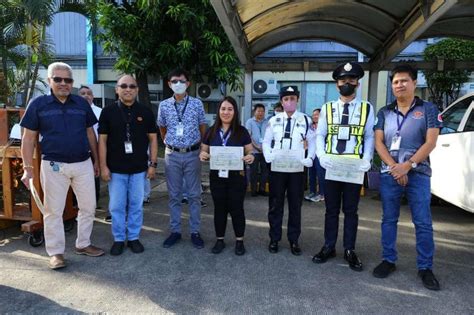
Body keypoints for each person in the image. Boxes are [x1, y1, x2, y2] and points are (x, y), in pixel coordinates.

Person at [20, 62, 104, 270]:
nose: (63, 83)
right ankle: (56, 253)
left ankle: (83, 244)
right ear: (49, 81)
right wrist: (27, 168)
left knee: (88, 206)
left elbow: (90, 134)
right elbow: (28, 138)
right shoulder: (38, 104)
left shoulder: (81, 103)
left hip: (83, 163)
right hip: (53, 165)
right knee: (53, 211)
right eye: (58, 79)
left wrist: (96, 161)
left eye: (68, 80)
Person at [373, 64, 442, 291]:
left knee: (422, 222)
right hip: (390, 173)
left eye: (404, 80)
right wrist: (395, 167)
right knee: (388, 219)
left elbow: (430, 141)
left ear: (414, 83)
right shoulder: (384, 111)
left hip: (418, 173)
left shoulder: (428, 109)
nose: (399, 85)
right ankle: (388, 260)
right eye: (395, 82)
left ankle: (425, 267)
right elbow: (378, 142)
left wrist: (408, 166)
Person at [312, 62, 374, 272]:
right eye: (343, 80)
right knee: (331, 210)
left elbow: (369, 136)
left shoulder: (366, 107)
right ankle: (329, 246)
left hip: (353, 167)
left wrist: (367, 158)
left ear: (357, 82)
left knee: (351, 210)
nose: (347, 83)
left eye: (351, 79)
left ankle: (349, 249)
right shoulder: (328, 108)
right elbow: (320, 135)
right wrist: (320, 155)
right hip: (332, 165)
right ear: (337, 84)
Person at [98, 75, 158, 256]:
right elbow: (102, 141)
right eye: (123, 86)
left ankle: (133, 237)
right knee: (116, 206)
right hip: (115, 170)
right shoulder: (107, 112)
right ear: (117, 89)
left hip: (139, 169)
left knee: (136, 205)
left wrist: (153, 164)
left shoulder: (145, 112)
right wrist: (103, 166)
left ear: (137, 90)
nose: (128, 89)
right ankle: (118, 238)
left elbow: (153, 139)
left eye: (132, 86)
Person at [262, 86, 315, 256]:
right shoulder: (274, 120)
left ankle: (294, 240)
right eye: (286, 99)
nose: (289, 102)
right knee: (275, 204)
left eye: (292, 98)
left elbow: (312, 142)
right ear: (281, 101)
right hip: (277, 168)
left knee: (295, 205)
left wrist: (311, 158)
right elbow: (266, 141)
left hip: (297, 169)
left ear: (297, 100)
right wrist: (267, 154)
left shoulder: (305, 120)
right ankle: (274, 239)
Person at [157, 68, 207, 249]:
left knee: (194, 195)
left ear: (188, 83)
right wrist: (169, 142)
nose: (178, 84)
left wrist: (199, 146)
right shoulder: (164, 105)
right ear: (169, 84)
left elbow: (202, 127)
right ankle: (175, 231)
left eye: (182, 81)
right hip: (172, 155)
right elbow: (162, 128)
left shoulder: (197, 104)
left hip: (193, 153)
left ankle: (195, 231)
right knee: (174, 195)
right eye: (174, 81)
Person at [200, 96, 255, 255]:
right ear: (219, 111)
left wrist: (250, 156)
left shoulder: (241, 131)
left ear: (235, 112)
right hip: (217, 177)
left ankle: (239, 241)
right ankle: (219, 240)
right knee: (219, 209)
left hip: (237, 177)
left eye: (230, 109)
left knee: (237, 209)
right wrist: (202, 155)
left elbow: (249, 150)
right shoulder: (211, 131)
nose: (226, 112)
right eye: (223, 109)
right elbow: (204, 150)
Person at [78, 86, 104, 210]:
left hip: (95, 148)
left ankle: (94, 202)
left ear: (93, 96)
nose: (86, 96)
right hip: (79, 149)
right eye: (82, 93)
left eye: (89, 93)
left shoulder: (100, 111)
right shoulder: (74, 110)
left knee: (95, 176)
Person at [245, 103, 269, 196]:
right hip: (254, 151)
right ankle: (253, 190)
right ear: (254, 112)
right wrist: (257, 147)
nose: (260, 113)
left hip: (265, 151)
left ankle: (262, 189)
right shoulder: (249, 122)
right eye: (258, 111)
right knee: (253, 171)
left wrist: (264, 147)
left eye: (262, 111)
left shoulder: (267, 122)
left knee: (265, 171)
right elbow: (248, 136)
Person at [304, 108, 326, 202]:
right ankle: (312, 191)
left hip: (320, 154)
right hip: (311, 153)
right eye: (313, 115)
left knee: (321, 174)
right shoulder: (310, 127)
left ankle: (322, 193)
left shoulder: (325, 127)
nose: (315, 116)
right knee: (311, 174)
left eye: (317, 114)